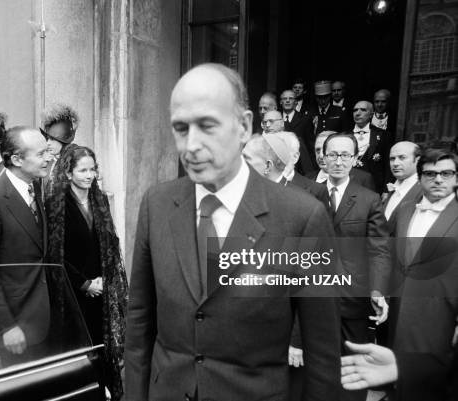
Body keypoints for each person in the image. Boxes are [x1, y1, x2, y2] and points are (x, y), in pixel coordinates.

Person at [124, 63, 340, 400]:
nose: (191, 145)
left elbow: (324, 354)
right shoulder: (157, 204)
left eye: (207, 126)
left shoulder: (302, 218)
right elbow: (139, 324)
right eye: (180, 128)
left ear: (244, 126)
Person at [341, 148, 458, 401]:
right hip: (399, 319)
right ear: (420, 176)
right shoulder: (405, 210)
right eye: (430, 174)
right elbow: (391, 257)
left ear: (456, 178)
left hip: (441, 325)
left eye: (446, 173)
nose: (438, 179)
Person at [309, 132, 391, 401]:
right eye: (333, 154)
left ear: (355, 159)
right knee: (317, 365)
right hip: (313, 296)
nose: (338, 161)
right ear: (323, 158)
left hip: (352, 297)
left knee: (354, 368)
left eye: (345, 155)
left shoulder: (368, 199)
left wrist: (378, 291)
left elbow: (379, 249)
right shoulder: (308, 195)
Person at [47, 145, 128, 400]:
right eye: (83, 170)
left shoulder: (100, 199)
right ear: (69, 173)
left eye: (92, 169)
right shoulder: (56, 204)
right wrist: (84, 284)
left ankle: (105, 390)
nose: (89, 175)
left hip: (101, 288)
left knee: (102, 347)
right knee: (81, 350)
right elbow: (55, 253)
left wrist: (105, 279)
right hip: (74, 293)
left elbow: (109, 242)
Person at [0, 126, 53, 367]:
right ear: (16, 159)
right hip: (16, 323)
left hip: (42, 316)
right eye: (40, 154)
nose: (48, 158)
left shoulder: (33, 186)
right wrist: (7, 326)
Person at [307, 131, 376, 191]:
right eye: (318, 150)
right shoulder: (307, 178)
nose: (321, 155)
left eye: (330, 152)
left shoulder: (363, 179)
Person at [39, 103, 79, 200]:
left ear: (64, 138)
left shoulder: (77, 161)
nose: (47, 143)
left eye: (52, 139)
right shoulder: (48, 161)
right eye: (47, 138)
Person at [351, 100, 391, 194]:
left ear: (371, 114)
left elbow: (387, 164)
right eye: (355, 110)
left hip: (373, 186)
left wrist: (386, 190)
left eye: (363, 110)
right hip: (349, 183)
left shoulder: (383, 135)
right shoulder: (344, 135)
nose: (358, 113)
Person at [382, 141, 422, 226]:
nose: (395, 163)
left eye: (402, 157)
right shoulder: (393, 188)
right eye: (392, 159)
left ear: (418, 160)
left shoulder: (424, 191)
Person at [281, 89, 315, 173]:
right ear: (280, 102)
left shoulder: (305, 119)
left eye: (291, 98)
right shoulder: (275, 119)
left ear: (296, 102)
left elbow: (310, 145)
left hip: (300, 168)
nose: (287, 101)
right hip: (280, 166)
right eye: (285, 99)